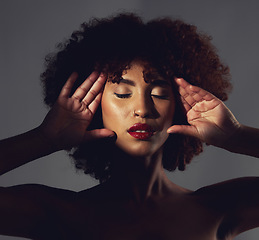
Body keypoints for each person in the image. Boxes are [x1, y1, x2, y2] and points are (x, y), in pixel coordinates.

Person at [0, 13, 259, 240]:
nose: (143, 109)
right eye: (123, 94)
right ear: (96, 104)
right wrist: (44, 139)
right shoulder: (57, 213)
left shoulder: (217, 208)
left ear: (179, 108)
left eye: (159, 94)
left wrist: (237, 136)